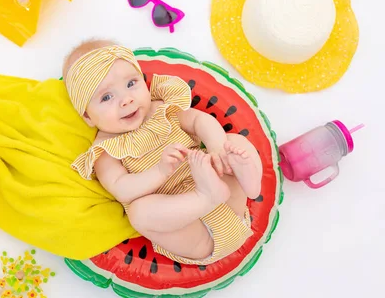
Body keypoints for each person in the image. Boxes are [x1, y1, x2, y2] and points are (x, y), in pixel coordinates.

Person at [64, 39, 263, 265]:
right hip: (196, 234)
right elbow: (122, 189)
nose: (126, 100)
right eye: (107, 97)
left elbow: (199, 120)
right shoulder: (105, 151)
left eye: (131, 84)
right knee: (140, 213)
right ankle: (205, 196)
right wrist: (160, 171)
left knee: (232, 142)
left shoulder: (163, 109)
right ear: (87, 116)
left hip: (232, 202)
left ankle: (252, 184)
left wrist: (217, 149)